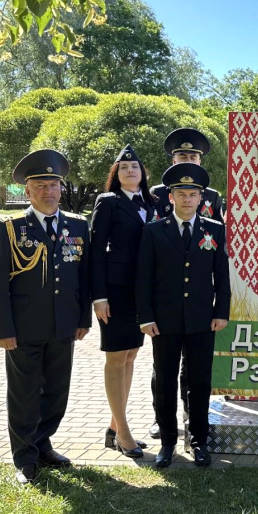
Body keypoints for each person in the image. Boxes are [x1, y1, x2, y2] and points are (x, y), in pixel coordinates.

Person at [0, 149, 91, 485]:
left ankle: (43, 445)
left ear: (61, 188)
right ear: (28, 192)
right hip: (23, 328)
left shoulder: (78, 225)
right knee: (24, 395)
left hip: (64, 325)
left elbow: (84, 277)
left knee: (57, 394)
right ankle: (25, 458)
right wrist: (2, 329)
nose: (48, 191)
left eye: (53, 184)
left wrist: (83, 319)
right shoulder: (10, 228)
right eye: (40, 185)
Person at [137, 163, 231, 469]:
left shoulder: (214, 229)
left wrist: (221, 311)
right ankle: (167, 443)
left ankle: (199, 441)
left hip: (203, 319)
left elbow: (222, 275)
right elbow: (144, 278)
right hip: (164, 321)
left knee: (200, 382)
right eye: (181, 194)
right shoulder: (154, 231)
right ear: (171, 197)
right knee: (165, 381)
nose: (187, 199)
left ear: (201, 198)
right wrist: (145, 316)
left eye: (192, 194)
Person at [147, 127, 224, 440]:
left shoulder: (211, 196)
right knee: (163, 369)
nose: (188, 159)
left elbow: (215, 248)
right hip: (166, 296)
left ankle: (193, 419)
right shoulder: (156, 193)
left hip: (197, 304)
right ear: (173, 159)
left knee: (194, 371)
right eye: (182, 155)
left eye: (193, 155)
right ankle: (161, 420)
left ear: (200, 160)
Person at [90, 144, 156, 459]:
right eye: (124, 167)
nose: (130, 171)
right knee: (116, 358)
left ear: (143, 173)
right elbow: (96, 251)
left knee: (130, 355)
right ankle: (124, 433)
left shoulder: (151, 203)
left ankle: (114, 428)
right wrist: (99, 296)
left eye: (135, 167)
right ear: (116, 174)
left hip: (139, 293)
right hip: (115, 292)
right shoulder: (108, 202)